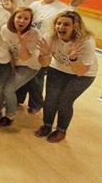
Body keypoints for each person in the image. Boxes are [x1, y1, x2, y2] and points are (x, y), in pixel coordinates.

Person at [34, 11, 97, 143]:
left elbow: (81, 72)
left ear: (75, 27)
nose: (61, 27)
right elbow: (44, 63)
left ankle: (61, 130)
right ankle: (47, 125)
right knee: (51, 98)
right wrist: (45, 54)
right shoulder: (50, 37)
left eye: (66, 24)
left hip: (83, 75)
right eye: (58, 23)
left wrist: (73, 58)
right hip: (58, 69)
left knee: (64, 101)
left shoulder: (86, 43)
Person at [0, 8, 42, 127]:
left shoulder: (33, 33)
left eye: (26, 18)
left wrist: (23, 43)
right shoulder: (5, 29)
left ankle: (9, 116)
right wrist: (12, 63)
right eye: (19, 17)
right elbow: (6, 48)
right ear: (13, 18)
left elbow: (25, 57)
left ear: (30, 21)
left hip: (29, 66)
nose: (22, 21)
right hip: (11, 62)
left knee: (8, 89)